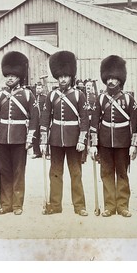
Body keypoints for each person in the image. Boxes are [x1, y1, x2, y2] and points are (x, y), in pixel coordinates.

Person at [39, 50, 89, 216]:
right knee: (55, 173)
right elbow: (45, 118)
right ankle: (55, 205)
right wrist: (43, 141)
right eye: (60, 76)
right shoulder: (51, 95)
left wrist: (82, 139)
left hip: (74, 140)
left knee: (76, 173)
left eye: (65, 76)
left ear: (71, 76)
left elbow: (84, 119)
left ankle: (79, 206)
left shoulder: (79, 95)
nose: (62, 79)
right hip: (55, 140)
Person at [0, 51, 39, 215]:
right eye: (8, 75)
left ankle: (17, 205)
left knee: (18, 172)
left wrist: (30, 138)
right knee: (4, 171)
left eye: (13, 75)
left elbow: (35, 118)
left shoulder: (27, 94)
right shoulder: (1, 95)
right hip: (2, 138)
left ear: (19, 76)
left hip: (19, 138)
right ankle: (6, 204)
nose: (10, 78)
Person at [89, 55, 137, 218]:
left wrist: (133, 144)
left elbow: (135, 124)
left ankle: (123, 205)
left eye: (114, 79)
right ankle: (109, 206)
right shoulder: (100, 99)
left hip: (123, 141)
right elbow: (94, 123)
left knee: (122, 173)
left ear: (120, 80)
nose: (111, 81)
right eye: (108, 78)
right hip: (104, 142)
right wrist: (94, 144)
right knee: (107, 173)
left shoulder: (129, 99)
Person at [31, 81, 46, 158]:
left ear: (42, 89)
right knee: (35, 135)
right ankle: (36, 152)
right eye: (37, 88)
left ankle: (46, 153)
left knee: (44, 135)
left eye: (40, 88)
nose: (38, 90)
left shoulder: (45, 97)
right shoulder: (33, 97)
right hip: (35, 120)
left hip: (42, 119)